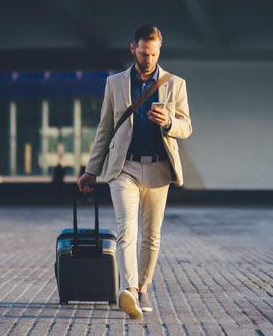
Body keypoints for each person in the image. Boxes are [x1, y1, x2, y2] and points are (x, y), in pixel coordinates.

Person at [77, 24, 193, 319]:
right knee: (127, 229)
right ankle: (128, 289)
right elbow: (105, 128)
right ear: (133, 49)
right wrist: (92, 170)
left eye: (153, 54)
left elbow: (187, 127)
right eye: (143, 53)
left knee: (151, 236)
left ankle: (143, 287)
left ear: (159, 50)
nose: (148, 59)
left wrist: (168, 122)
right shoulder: (114, 83)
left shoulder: (175, 83)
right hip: (123, 167)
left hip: (158, 169)